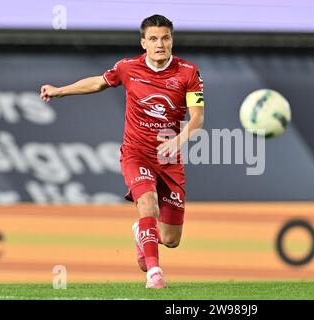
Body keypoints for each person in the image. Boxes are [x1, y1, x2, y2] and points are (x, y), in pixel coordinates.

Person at [39, 14, 204, 289]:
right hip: (136, 154)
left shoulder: (188, 73)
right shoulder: (127, 68)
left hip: (169, 157)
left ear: (172, 40)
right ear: (143, 43)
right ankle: (155, 274)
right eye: (153, 39)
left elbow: (197, 118)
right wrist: (60, 91)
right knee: (147, 203)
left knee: (172, 239)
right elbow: (98, 83)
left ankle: (143, 233)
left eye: (165, 38)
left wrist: (180, 140)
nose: (160, 44)